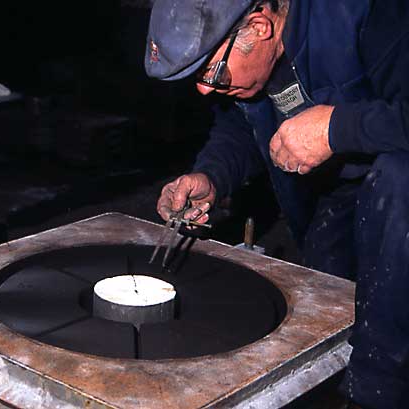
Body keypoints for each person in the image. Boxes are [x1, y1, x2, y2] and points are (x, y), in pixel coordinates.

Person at [144, 0, 409, 408]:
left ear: (260, 25)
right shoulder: (253, 64)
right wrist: (212, 175)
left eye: (210, 72)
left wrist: (336, 127)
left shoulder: (368, 13)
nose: (204, 89)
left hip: (397, 192)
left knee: (382, 355)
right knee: (321, 321)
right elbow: (243, 124)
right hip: (342, 191)